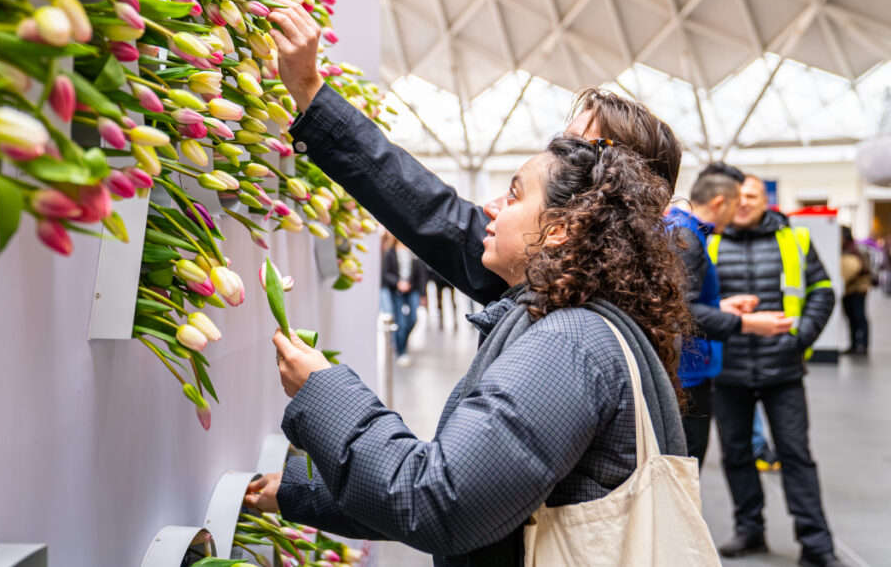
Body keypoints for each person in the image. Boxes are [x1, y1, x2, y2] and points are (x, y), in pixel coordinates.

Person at [246, 136, 695, 566]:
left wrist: (322, 390)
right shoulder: (565, 325)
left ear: (559, 230)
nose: (491, 207)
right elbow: (485, 491)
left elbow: (439, 502)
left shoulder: (566, 344)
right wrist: (297, 491)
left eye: (514, 196)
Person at [262, 5, 684, 312]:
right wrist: (309, 89)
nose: (556, 160)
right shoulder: (561, 281)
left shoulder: (570, 337)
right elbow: (428, 208)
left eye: (576, 151)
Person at [709, 175, 842, 567]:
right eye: (739, 197)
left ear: (765, 200)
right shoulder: (710, 242)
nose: (745, 203)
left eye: (752, 196)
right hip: (728, 371)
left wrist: (798, 339)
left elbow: (822, 291)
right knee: (736, 455)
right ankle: (749, 530)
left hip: (783, 370)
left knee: (795, 455)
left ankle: (817, 545)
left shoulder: (794, 239)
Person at [667, 162, 792, 467]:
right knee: (687, 468)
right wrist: (748, 323)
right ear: (720, 202)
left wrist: (721, 307)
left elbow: (673, 300)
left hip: (682, 372)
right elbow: (682, 314)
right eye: (736, 204)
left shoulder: (679, 229)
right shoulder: (689, 239)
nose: (738, 213)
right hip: (688, 377)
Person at [381, 238, 427, 366]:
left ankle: (401, 343)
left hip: (413, 289)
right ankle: (401, 351)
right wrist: (397, 283)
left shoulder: (414, 250)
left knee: (412, 319)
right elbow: (385, 273)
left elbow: (422, 274)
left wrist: (423, 294)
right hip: (397, 291)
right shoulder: (390, 252)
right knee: (400, 321)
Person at [840, 226, 872, 356]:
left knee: (859, 317)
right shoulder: (846, 251)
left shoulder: (853, 252)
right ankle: (854, 344)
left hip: (857, 290)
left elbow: (854, 269)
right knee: (851, 318)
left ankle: (863, 345)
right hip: (848, 290)